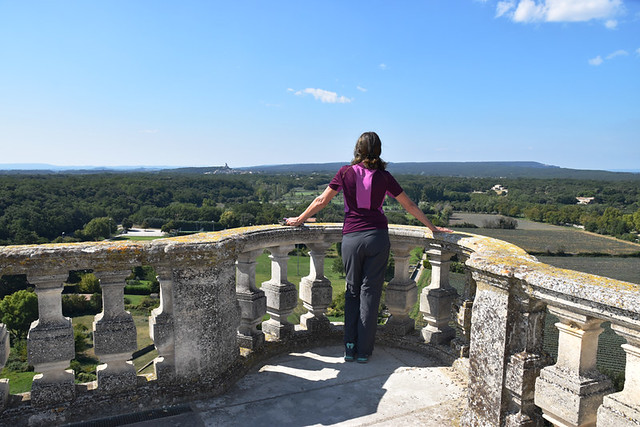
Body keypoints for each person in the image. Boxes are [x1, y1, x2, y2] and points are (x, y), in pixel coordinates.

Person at [286, 131, 451, 363]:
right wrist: (432, 227)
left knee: (352, 291)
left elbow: (321, 201)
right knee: (370, 293)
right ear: (379, 150)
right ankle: (364, 351)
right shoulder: (384, 177)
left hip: (352, 238)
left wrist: (299, 220)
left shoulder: (344, 172)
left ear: (358, 149)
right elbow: (409, 205)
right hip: (377, 237)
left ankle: (349, 348)